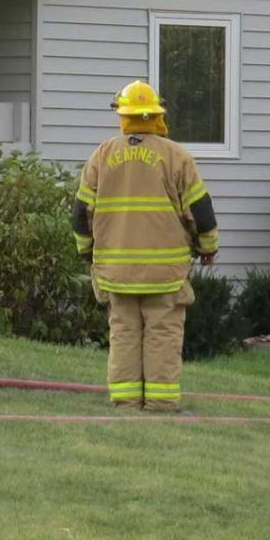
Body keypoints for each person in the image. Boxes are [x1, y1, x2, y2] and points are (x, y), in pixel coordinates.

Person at [72, 80, 219, 412]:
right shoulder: (176, 156)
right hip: (164, 272)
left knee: (123, 333)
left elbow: (82, 214)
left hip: (117, 271)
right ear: (156, 115)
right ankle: (161, 402)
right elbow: (201, 212)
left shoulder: (102, 155)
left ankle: (125, 400)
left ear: (122, 116)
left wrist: (86, 252)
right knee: (162, 334)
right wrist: (208, 247)